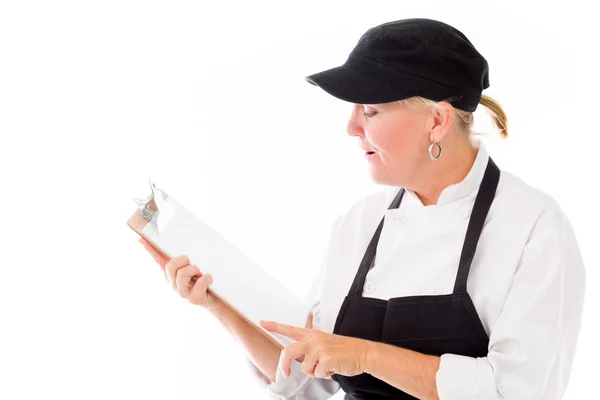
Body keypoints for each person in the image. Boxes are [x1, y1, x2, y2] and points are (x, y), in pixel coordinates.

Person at [139, 18, 586, 400]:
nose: (351, 127)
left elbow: (517, 392)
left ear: (437, 120)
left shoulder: (533, 226)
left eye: (370, 111)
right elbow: (307, 382)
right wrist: (218, 304)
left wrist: (366, 354)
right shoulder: (360, 223)